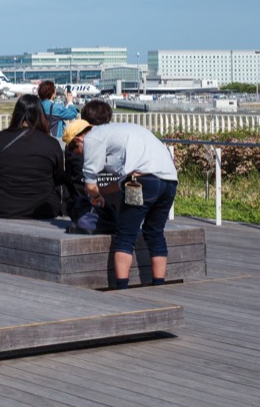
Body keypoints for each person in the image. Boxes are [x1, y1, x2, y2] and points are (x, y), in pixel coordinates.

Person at [71, 103, 179, 289]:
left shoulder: (93, 137)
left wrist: (94, 193)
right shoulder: (121, 130)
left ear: (79, 140)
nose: (80, 155)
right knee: (155, 232)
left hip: (141, 183)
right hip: (169, 182)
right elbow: (123, 179)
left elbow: (90, 178)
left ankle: (122, 287)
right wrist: (102, 193)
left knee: (125, 234)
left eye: (76, 150)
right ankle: (159, 284)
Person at [0, 95, 68, 220]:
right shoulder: (51, 143)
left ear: (16, 114)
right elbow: (59, 177)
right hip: (41, 209)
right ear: (40, 115)